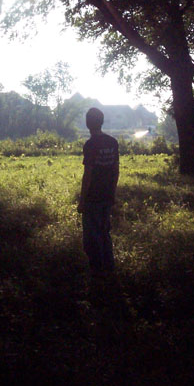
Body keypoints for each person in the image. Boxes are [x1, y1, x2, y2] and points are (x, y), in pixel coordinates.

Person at [78, 107, 119, 277]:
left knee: (91, 236)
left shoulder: (90, 145)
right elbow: (116, 170)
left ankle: (97, 271)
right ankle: (109, 268)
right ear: (101, 122)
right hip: (107, 196)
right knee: (104, 232)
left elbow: (88, 175)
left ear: (88, 123)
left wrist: (82, 199)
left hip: (93, 198)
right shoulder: (112, 142)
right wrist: (113, 193)